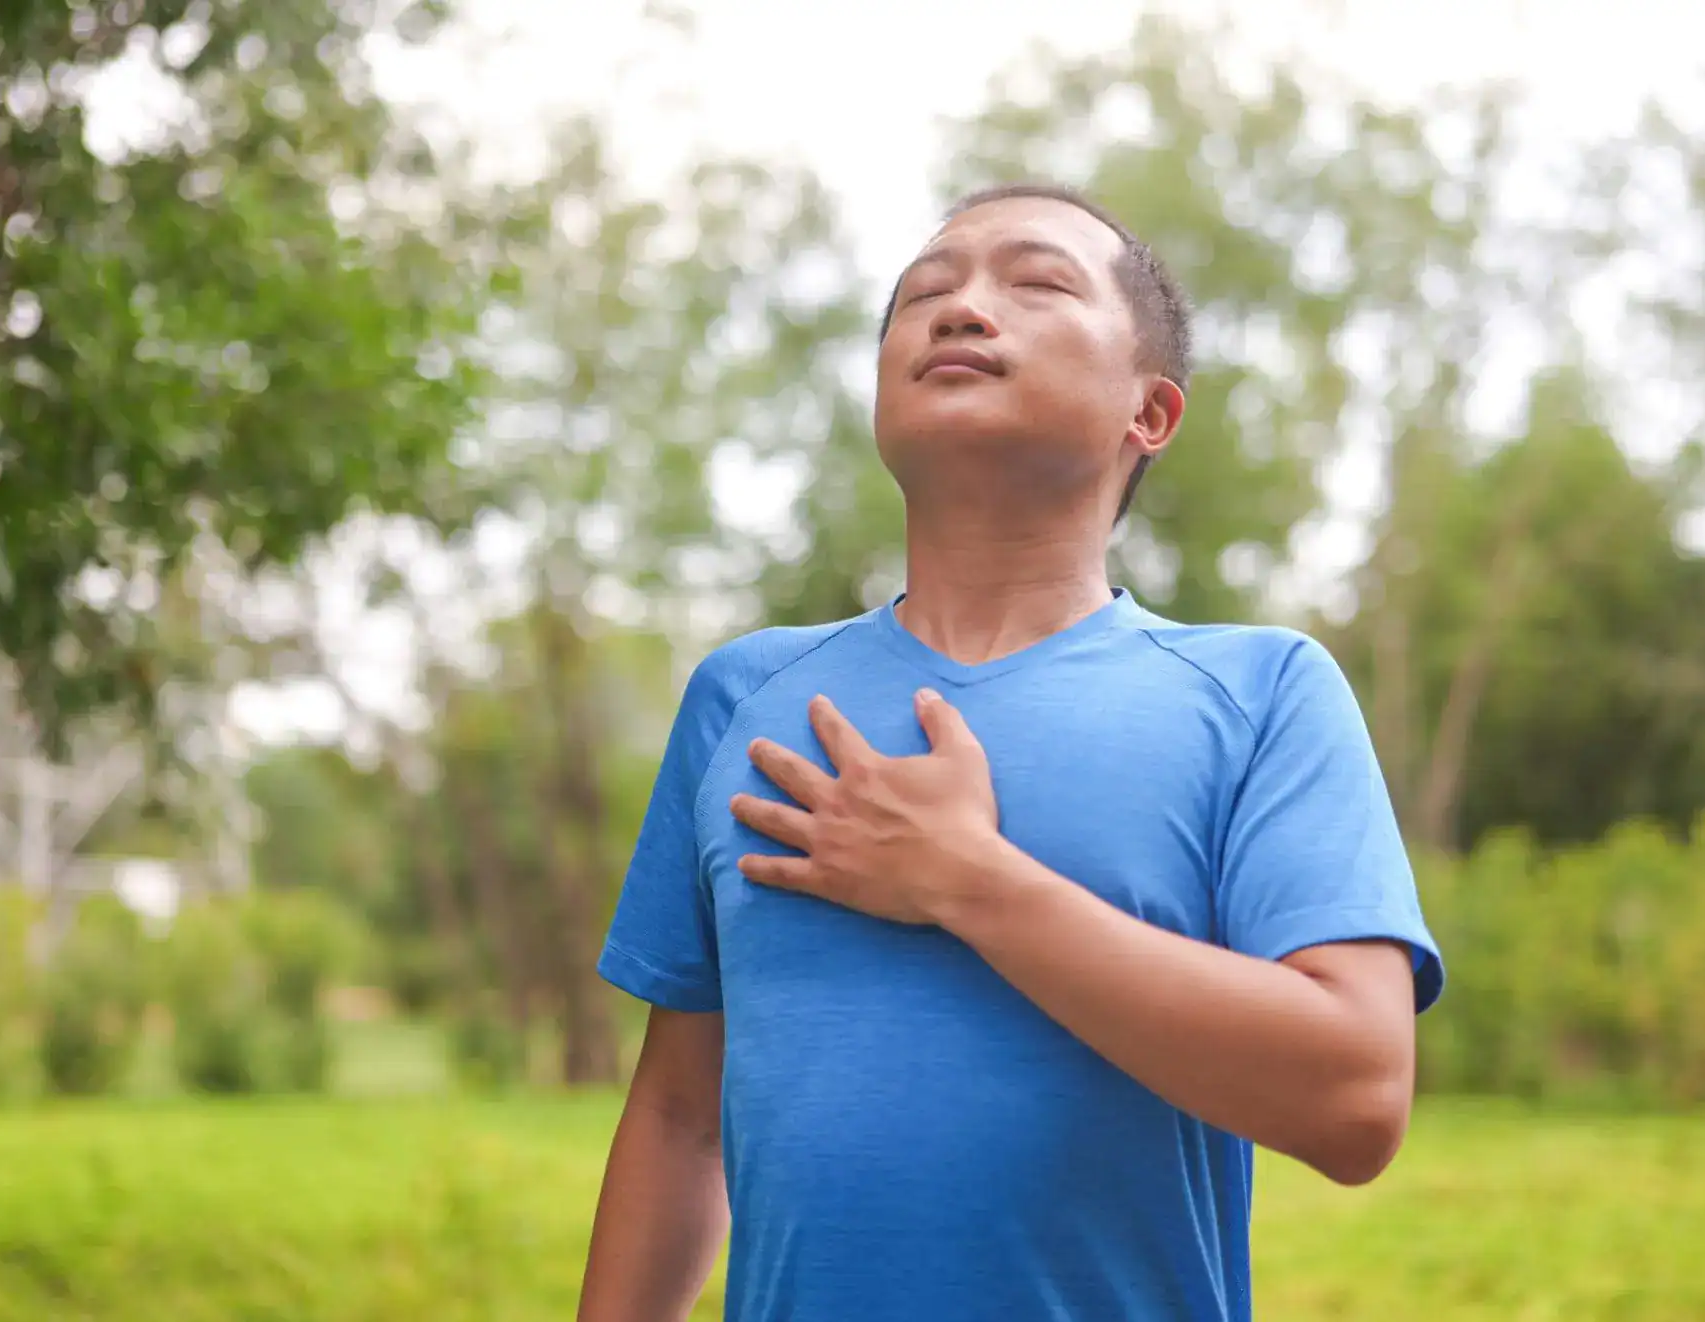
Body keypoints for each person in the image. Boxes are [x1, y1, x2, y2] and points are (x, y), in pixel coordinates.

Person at [575, 183, 1444, 1322]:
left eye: (1035, 284)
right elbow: (680, 1116)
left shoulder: (1260, 692)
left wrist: (966, 879)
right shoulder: (742, 695)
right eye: (923, 294)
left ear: (1150, 411)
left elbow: (1355, 1094)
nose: (961, 308)